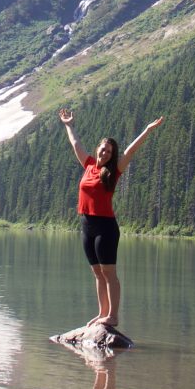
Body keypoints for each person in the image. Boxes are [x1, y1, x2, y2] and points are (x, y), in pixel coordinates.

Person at [58, 107, 165, 330]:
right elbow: (75, 144)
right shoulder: (88, 165)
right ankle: (102, 313)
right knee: (97, 272)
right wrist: (69, 125)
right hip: (86, 224)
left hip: (105, 226)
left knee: (109, 273)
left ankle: (113, 316)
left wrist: (147, 130)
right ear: (97, 149)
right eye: (103, 149)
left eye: (109, 152)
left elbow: (130, 151)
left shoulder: (114, 170)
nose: (105, 153)